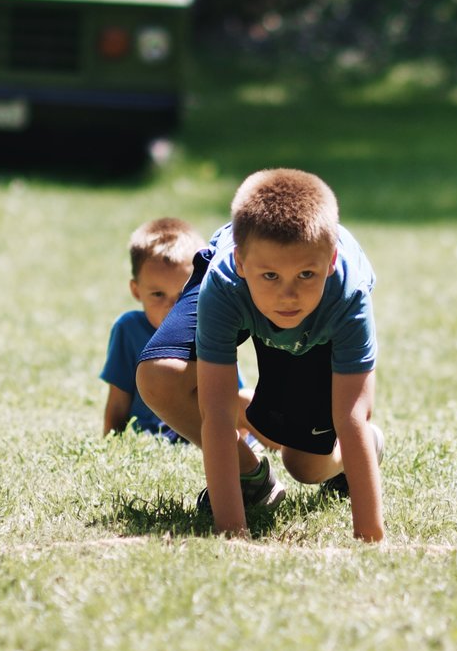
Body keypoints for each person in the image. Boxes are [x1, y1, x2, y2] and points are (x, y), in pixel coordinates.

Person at [136, 168, 385, 541]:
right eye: (272, 276)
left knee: (303, 465)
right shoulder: (224, 282)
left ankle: (364, 449)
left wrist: (371, 540)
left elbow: (351, 414)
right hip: (238, 292)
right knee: (159, 375)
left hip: (317, 328)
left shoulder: (347, 296)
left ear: (330, 261)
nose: (288, 295)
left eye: (305, 274)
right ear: (240, 263)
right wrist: (232, 533)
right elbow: (217, 412)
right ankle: (252, 480)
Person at [101, 217, 201, 439]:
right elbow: (118, 400)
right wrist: (108, 444)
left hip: (197, 433)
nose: (171, 306)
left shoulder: (206, 328)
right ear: (136, 291)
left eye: (183, 295)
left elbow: (230, 398)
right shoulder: (128, 329)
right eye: (158, 294)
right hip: (147, 434)